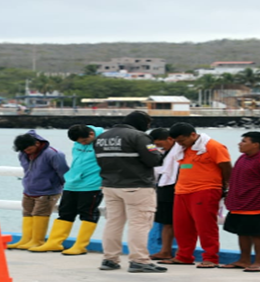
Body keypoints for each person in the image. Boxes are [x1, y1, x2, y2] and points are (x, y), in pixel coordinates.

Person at [94, 111, 165, 273]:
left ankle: (109, 259)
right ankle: (139, 260)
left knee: (113, 222)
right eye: (148, 124)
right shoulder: (140, 137)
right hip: (137, 186)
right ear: (142, 123)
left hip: (110, 186)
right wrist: (158, 151)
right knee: (139, 223)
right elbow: (154, 159)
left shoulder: (103, 137)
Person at [161, 123, 231, 268]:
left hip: (206, 190)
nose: (180, 144)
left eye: (182, 141)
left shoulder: (213, 146)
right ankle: (184, 256)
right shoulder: (182, 149)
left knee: (206, 226)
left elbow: (226, 167)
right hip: (181, 191)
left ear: (193, 135)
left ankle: (211, 257)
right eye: (177, 142)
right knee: (182, 226)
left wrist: (226, 186)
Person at [30, 124, 104, 255]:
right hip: (72, 183)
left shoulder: (104, 141)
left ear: (91, 135)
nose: (81, 143)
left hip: (92, 184)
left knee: (88, 213)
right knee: (65, 212)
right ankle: (54, 243)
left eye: (84, 141)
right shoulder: (78, 142)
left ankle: (80, 245)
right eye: (79, 142)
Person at [221, 132, 260, 272]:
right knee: (241, 232)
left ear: (256, 144)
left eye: (244, 141)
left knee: (257, 234)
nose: (240, 143)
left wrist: (259, 195)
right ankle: (244, 260)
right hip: (238, 203)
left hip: (256, 204)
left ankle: (259, 262)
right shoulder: (242, 158)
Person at [8, 130, 69, 250]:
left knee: (40, 213)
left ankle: (37, 241)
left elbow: (64, 173)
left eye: (28, 149)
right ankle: (26, 239)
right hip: (29, 190)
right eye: (23, 150)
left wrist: (65, 189)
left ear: (37, 143)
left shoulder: (53, 154)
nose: (26, 152)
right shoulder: (23, 153)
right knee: (27, 213)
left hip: (48, 191)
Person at [148, 128, 182, 261]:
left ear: (170, 139)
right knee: (165, 222)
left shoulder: (180, 150)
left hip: (175, 187)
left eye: (159, 144)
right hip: (162, 187)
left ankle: (182, 252)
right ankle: (165, 251)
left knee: (180, 223)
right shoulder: (160, 152)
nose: (158, 147)